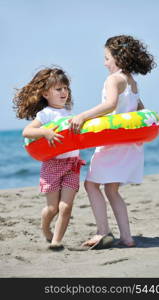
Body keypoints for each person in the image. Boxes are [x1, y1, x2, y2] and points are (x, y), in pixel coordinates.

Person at [69, 35, 156, 249]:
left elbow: (109, 105)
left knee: (90, 185)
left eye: (107, 58)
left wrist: (83, 116)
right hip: (128, 144)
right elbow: (140, 110)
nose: (104, 62)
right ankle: (126, 237)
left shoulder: (114, 79)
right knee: (111, 190)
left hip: (113, 143)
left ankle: (103, 231)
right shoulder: (132, 81)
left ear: (118, 58)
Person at [13, 67, 85, 250]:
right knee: (52, 209)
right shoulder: (45, 114)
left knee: (65, 207)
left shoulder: (70, 114)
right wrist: (45, 132)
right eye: (58, 89)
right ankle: (45, 228)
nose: (64, 92)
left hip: (72, 164)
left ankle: (56, 241)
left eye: (66, 88)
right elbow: (27, 131)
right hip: (52, 164)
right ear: (46, 93)